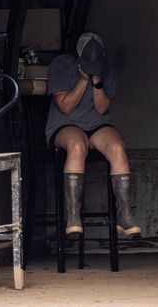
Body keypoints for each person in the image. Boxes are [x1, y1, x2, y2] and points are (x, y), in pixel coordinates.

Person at [45, 31, 141, 240]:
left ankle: (124, 217)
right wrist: (82, 78)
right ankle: (73, 217)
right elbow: (66, 107)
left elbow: (102, 109)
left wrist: (96, 80)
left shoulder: (107, 68)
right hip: (65, 124)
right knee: (78, 146)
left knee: (117, 148)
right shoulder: (61, 65)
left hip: (96, 124)